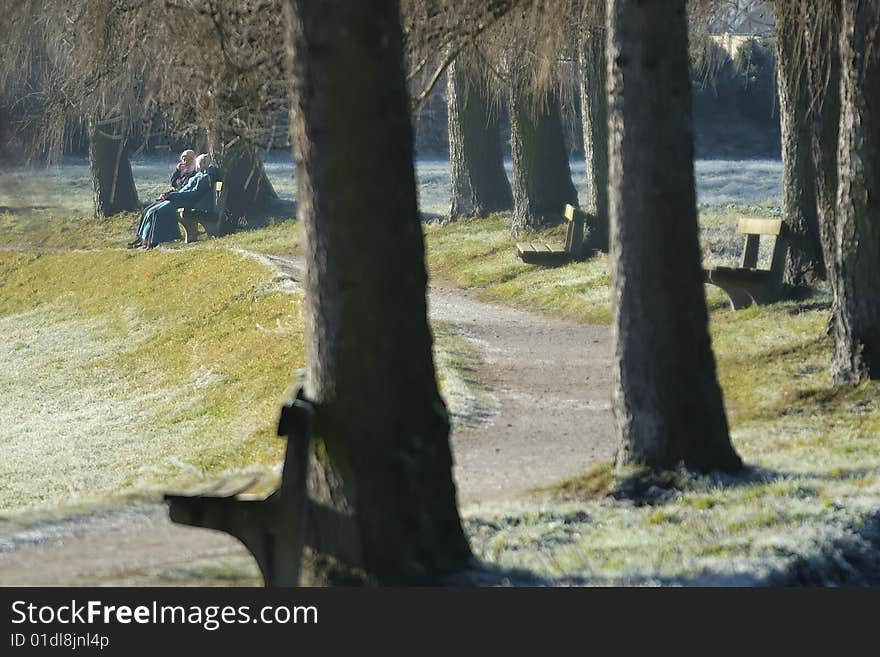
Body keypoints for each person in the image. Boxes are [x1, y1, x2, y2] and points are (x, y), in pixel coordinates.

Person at [129, 153, 218, 249]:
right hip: (180, 198)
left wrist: (172, 195)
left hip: (187, 201)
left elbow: (193, 193)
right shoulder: (199, 175)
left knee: (157, 212)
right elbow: (181, 188)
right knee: (149, 209)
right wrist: (168, 194)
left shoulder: (204, 177)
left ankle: (152, 241)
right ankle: (142, 238)